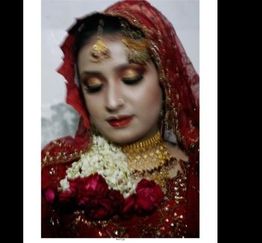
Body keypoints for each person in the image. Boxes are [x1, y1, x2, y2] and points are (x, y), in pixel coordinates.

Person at [41, 0, 199, 238]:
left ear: (165, 78)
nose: (112, 102)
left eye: (131, 78)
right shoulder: (53, 168)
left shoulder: (198, 175)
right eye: (93, 86)